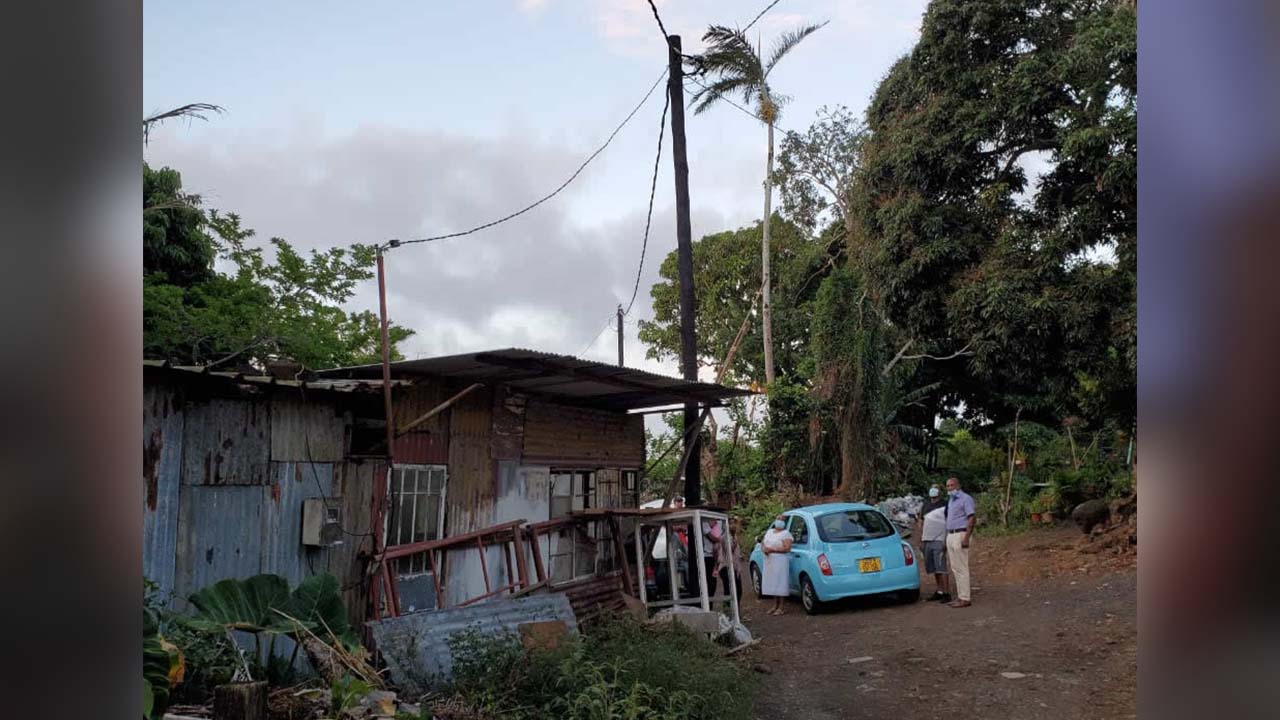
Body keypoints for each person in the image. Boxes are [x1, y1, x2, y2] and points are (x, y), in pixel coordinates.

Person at [944, 476, 977, 608]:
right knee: (955, 567)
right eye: (947, 486)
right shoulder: (951, 500)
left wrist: (966, 537)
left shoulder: (965, 499)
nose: (949, 488)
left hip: (961, 533)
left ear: (958, 486)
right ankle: (960, 596)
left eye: (951, 485)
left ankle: (965, 597)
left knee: (962, 567)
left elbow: (971, 518)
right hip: (951, 534)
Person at [918, 484, 951, 602]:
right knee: (933, 568)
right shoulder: (925, 505)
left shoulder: (945, 504)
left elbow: (949, 522)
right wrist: (921, 539)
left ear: (940, 491)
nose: (933, 489)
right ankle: (940, 590)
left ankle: (947, 593)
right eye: (932, 487)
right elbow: (921, 522)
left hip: (939, 539)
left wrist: (946, 539)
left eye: (936, 487)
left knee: (941, 567)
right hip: (927, 540)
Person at [760, 514, 793, 616]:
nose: (779, 521)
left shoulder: (786, 534)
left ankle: (781, 607)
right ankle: (774, 605)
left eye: (782, 519)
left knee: (780, 581)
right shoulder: (770, 532)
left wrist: (773, 550)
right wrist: (764, 549)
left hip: (780, 560)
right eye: (778, 519)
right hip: (769, 560)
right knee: (773, 582)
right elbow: (763, 542)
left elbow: (787, 548)